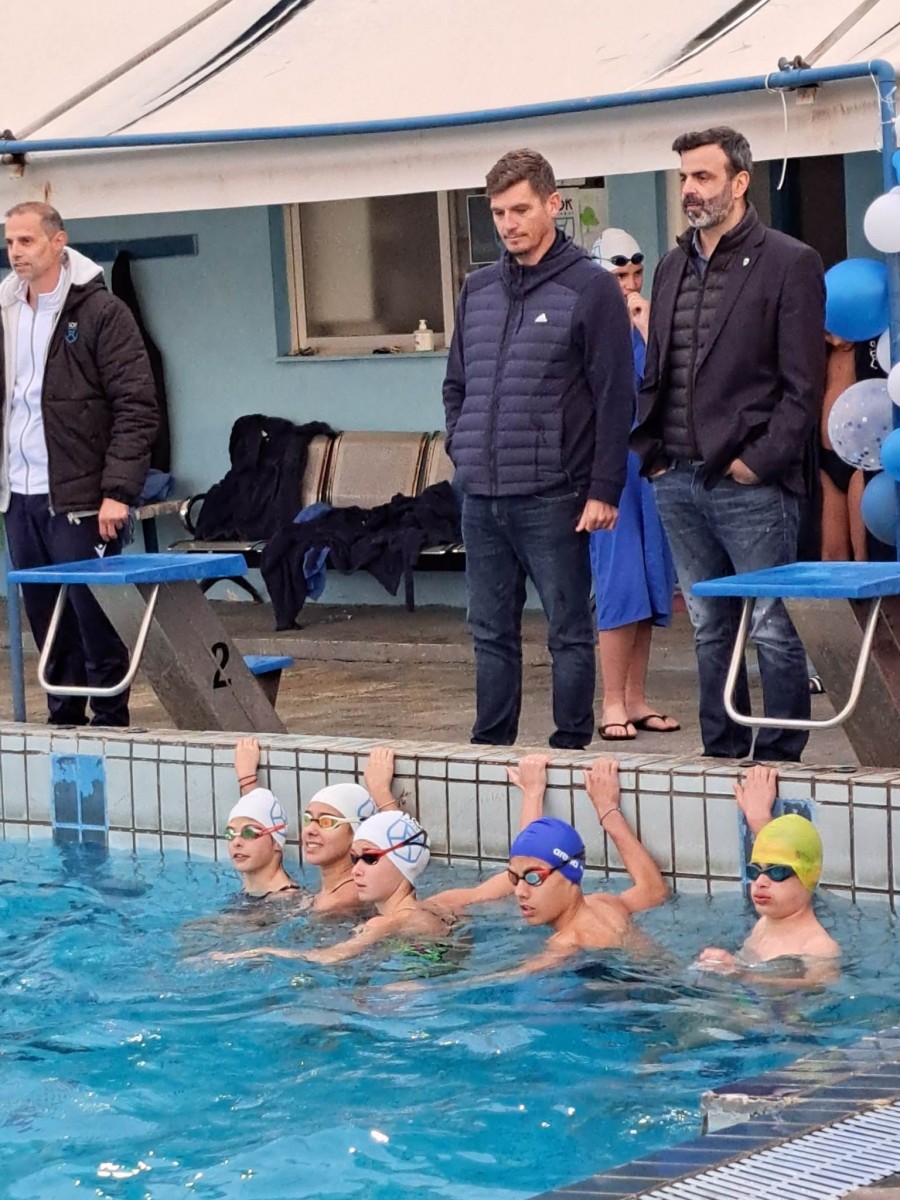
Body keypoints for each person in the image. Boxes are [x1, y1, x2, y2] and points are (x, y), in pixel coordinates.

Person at [631, 127, 826, 763]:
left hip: (750, 485)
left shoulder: (790, 262)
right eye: (684, 177)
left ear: (740, 182)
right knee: (709, 625)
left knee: (770, 622)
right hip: (677, 478)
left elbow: (804, 387)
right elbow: (657, 370)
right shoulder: (670, 266)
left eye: (703, 176)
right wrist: (654, 457)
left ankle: (781, 754)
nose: (689, 189)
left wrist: (757, 463)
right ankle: (722, 750)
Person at [443, 149, 634, 749]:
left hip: (556, 495)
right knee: (489, 632)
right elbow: (456, 385)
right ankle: (489, 747)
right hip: (482, 497)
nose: (509, 223)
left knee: (567, 631)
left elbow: (615, 396)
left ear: (553, 204)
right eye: (498, 212)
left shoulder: (592, 288)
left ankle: (570, 746)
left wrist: (604, 489)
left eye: (520, 209)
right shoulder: (477, 290)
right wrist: (462, 448)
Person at [1, 202, 158, 727]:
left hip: (82, 496)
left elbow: (137, 406)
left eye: (26, 241)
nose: (15, 252)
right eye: (9, 242)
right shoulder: (5, 310)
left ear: (58, 241)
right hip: (19, 494)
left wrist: (118, 491)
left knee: (95, 614)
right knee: (45, 618)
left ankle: (110, 719)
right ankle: (62, 720)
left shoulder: (101, 313)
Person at [589, 229, 678, 741]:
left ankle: (637, 696)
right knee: (620, 583)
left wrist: (648, 328)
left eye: (636, 274)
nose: (630, 285)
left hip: (648, 466)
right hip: (609, 470)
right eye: (620, 275)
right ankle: (612, 701)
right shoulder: (591, 329)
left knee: (649, 580)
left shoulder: (652, 326)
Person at [215, 811, 447, 965]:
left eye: (370, 858)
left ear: (403, 863)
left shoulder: (384, 923)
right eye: (354, 859)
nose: (356, 870)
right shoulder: (436, 907)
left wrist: (261, 952)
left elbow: (331, 957)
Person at [502, 759, 668, 972]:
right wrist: (608, 809)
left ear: (570, 874)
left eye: (533, 878)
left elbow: (513, 978)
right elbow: (653, 891)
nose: (520, 892)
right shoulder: (605, 906)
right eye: (514, 878)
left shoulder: (568, 942)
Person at [698, 765, 839, 983]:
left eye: (778, 872)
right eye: (754, 871)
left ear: (808, 877)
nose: (761, 881)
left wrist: (741, 974)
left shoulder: (818, 946)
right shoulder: (763, 925)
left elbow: (816, 986)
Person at [231, 738, 399, 914]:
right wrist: (247, 781)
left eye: (327, 822)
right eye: (307, 819)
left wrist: (381, 793)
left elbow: (402, 852)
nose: (310, 830)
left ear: (356, 835)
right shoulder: (330, 892)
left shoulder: (345, 899)